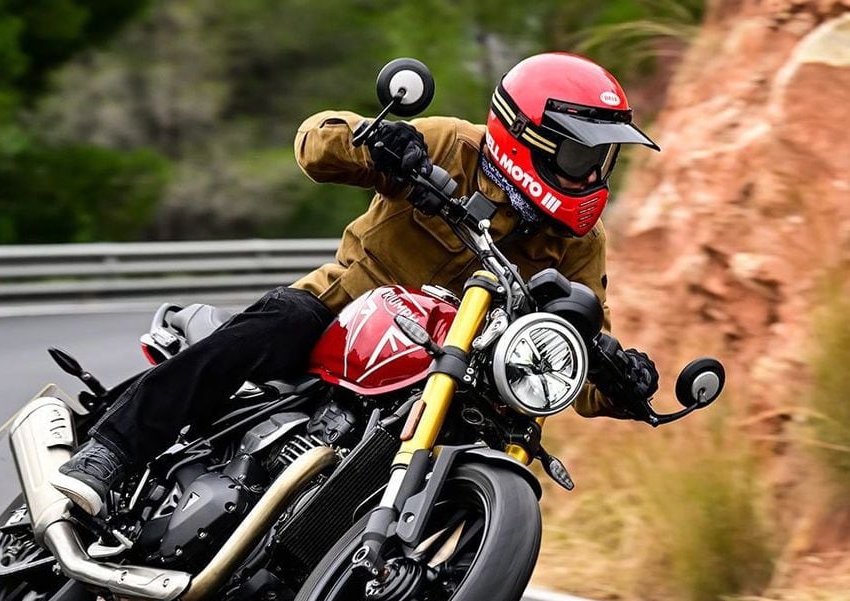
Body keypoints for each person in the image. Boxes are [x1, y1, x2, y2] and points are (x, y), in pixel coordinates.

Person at [51, 52, 661, 517]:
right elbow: (315, 144)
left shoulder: (582, 242)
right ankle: (112, 452)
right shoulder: (451, 145)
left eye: (602, 159)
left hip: (455, 375)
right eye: (582, 156)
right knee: (279, 322)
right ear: (529, 138)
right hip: (345, 310)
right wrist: (380, 141)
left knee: (490, 436)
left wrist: (619, 377)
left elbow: (578, 341)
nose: (593, 174)